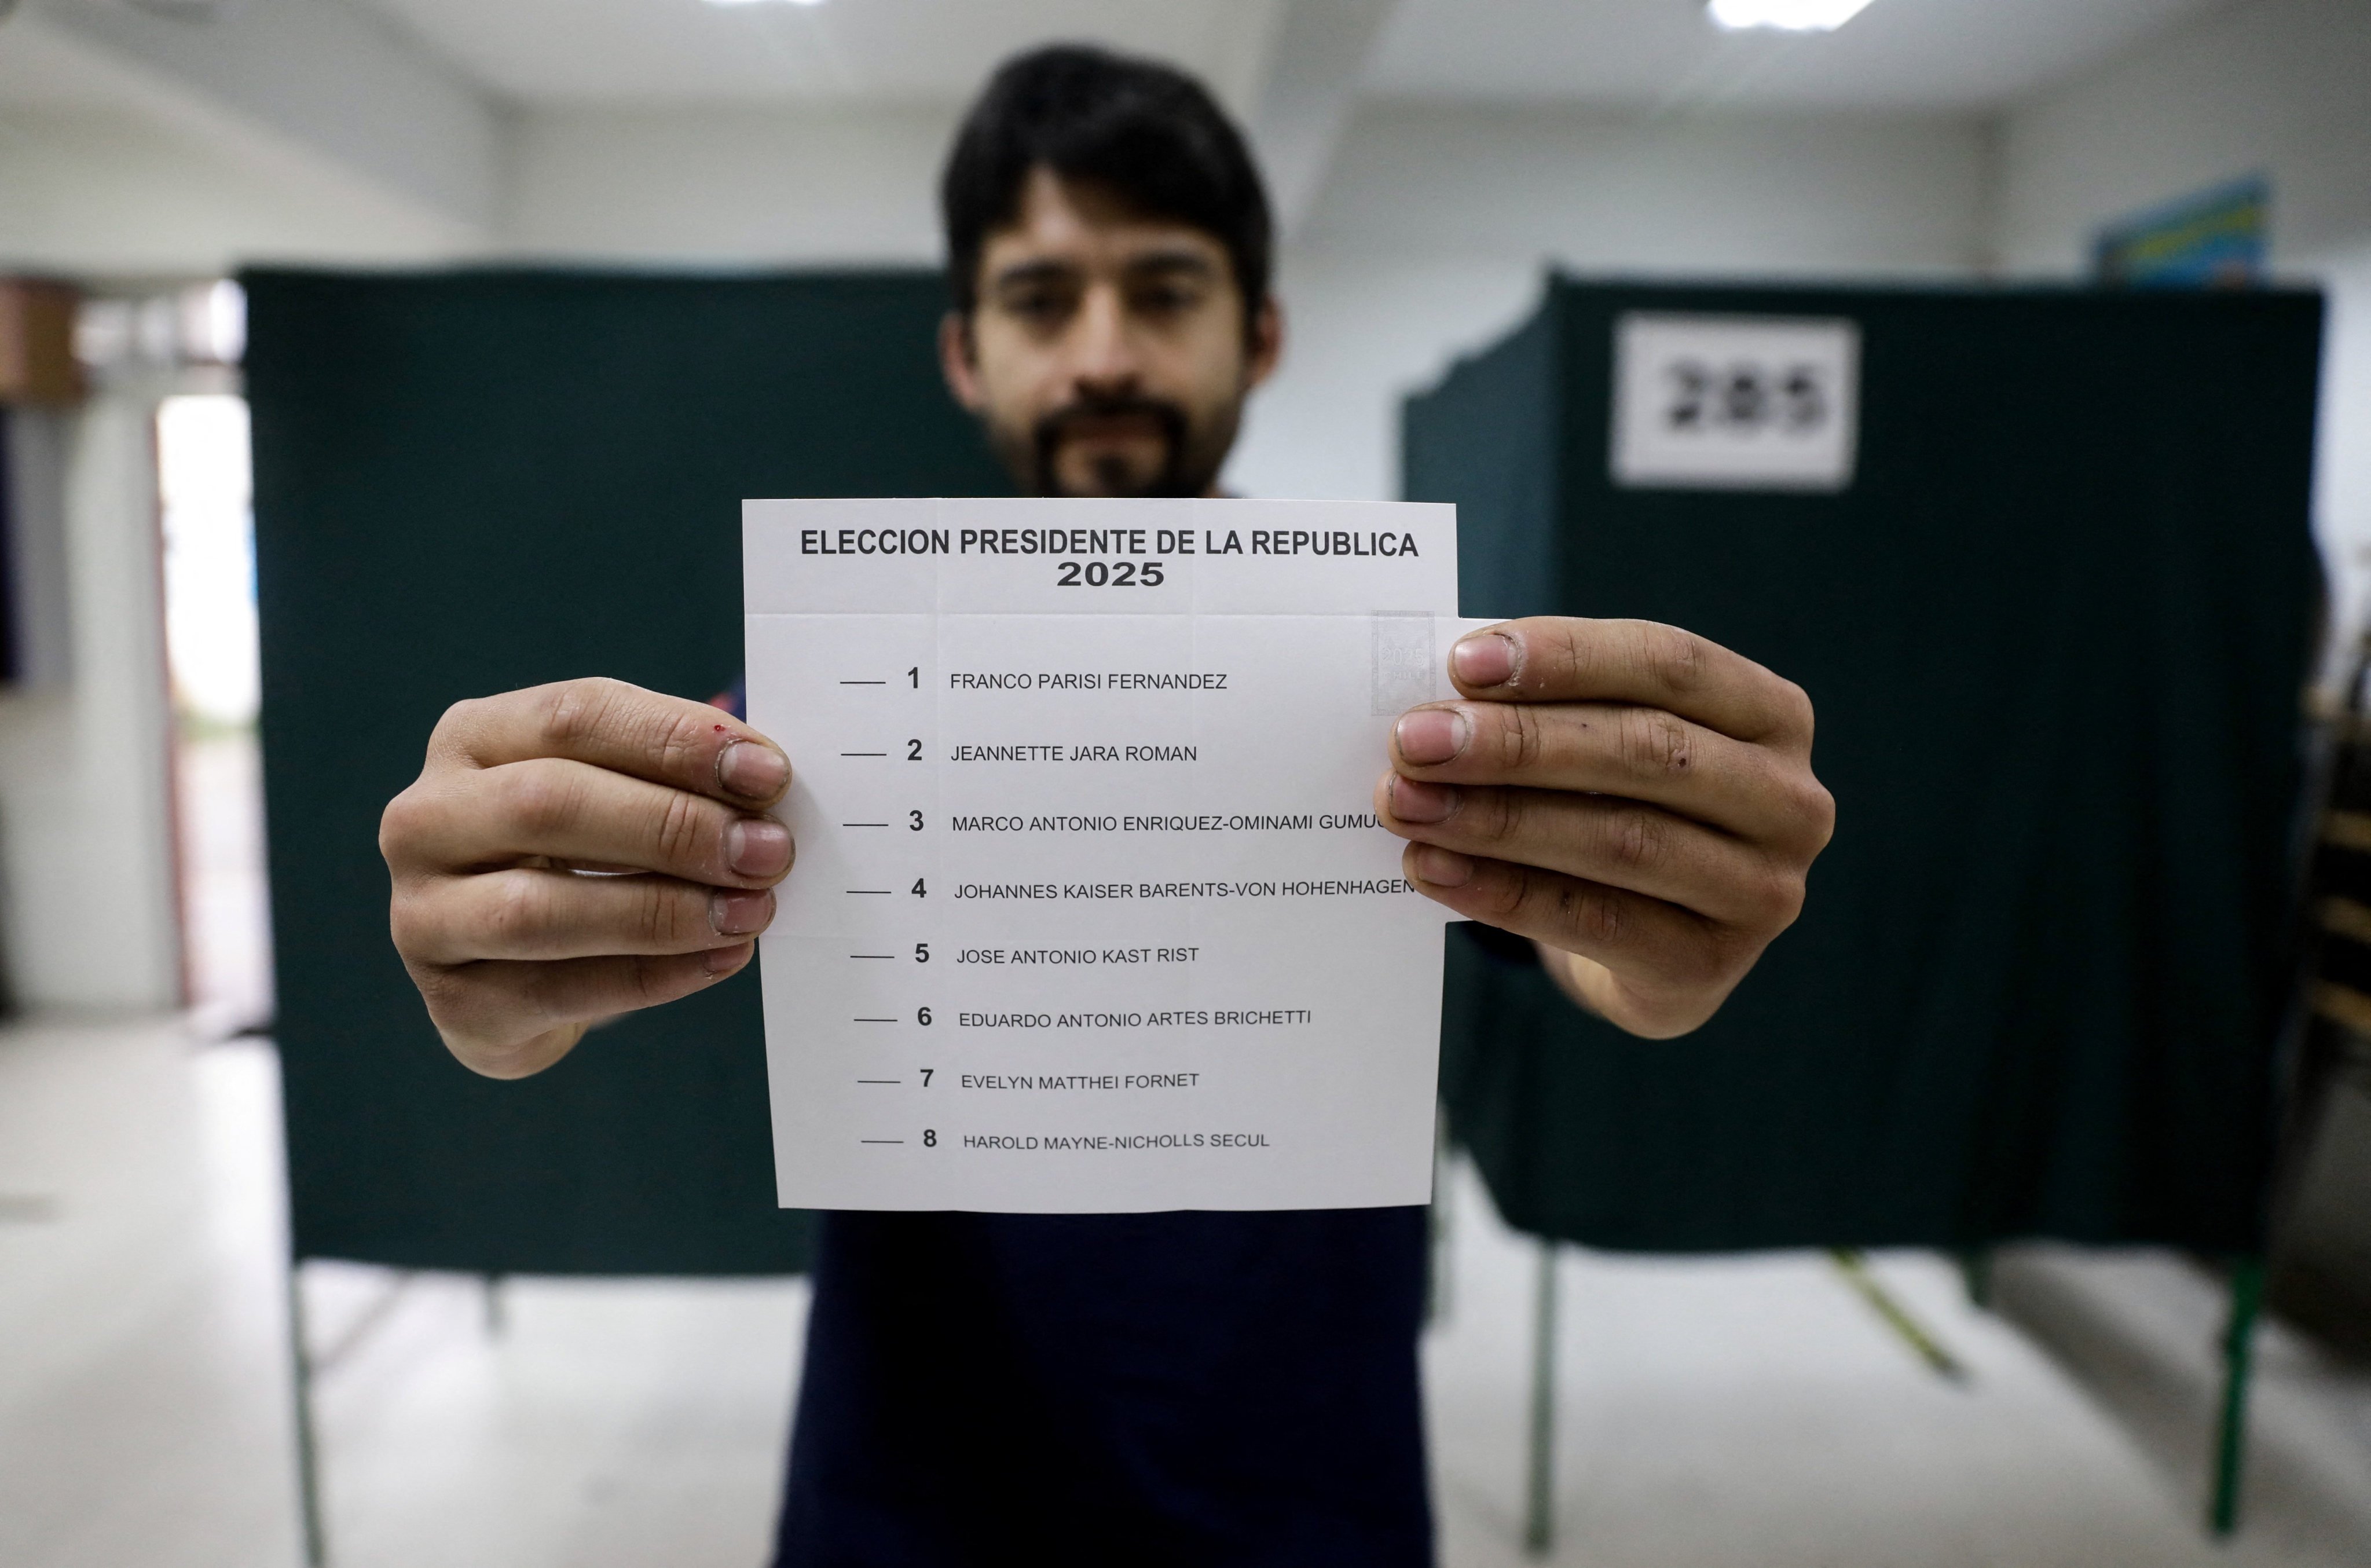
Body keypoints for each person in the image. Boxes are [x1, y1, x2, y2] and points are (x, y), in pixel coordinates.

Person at [378, 45, 1834, 1566]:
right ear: (964, 354)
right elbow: (618, 899)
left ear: (1259, 334)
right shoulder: (843, 689)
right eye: (1040, 298)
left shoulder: (1397, 679)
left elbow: (1588, 951)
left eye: (1164, 290)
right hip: (915, 1489)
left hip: (1302, 1487)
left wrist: (1672, 934)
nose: (1103, 356)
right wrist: (501, 987)